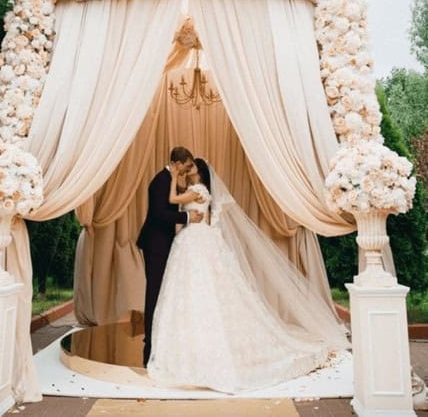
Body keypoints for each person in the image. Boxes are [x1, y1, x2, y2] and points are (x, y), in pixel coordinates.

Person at [146, 158, 350, 393]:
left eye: (190, 167)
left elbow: (174, 200)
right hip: (194, 240)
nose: (186, 170)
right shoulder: (196, 190)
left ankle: (203, 348)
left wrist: (173, 178)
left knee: (200, 288)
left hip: (195, 240)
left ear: (198, 172)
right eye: (186, 166)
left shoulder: (198, 190)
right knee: (193, 289)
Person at [137, 147, 204, 367]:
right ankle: (151, 334)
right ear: (177, 163)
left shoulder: (169, 179)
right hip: (155, 243)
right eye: (185, 165)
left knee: (161, 289)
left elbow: (178, 197)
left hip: (163, 242)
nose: (186, 169)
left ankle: (159, 330)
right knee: (154, 290)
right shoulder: (161, 181)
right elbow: (160, 214)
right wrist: (187, 216)